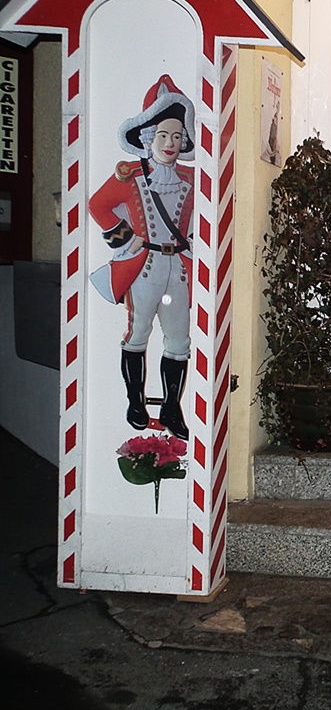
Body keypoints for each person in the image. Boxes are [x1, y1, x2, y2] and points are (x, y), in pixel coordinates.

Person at [88, 74, 195, 440]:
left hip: (177, 269)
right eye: (163, 135)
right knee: (137, 334)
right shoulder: (129, 174)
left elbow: (197, 219)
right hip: (145, 268)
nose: (170, 143)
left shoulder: (190, 178)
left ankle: (170, 406)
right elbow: (98, 205)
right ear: (148, 137)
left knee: (179, 341)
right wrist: (125, 238)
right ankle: (135, 401)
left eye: (177, 136)